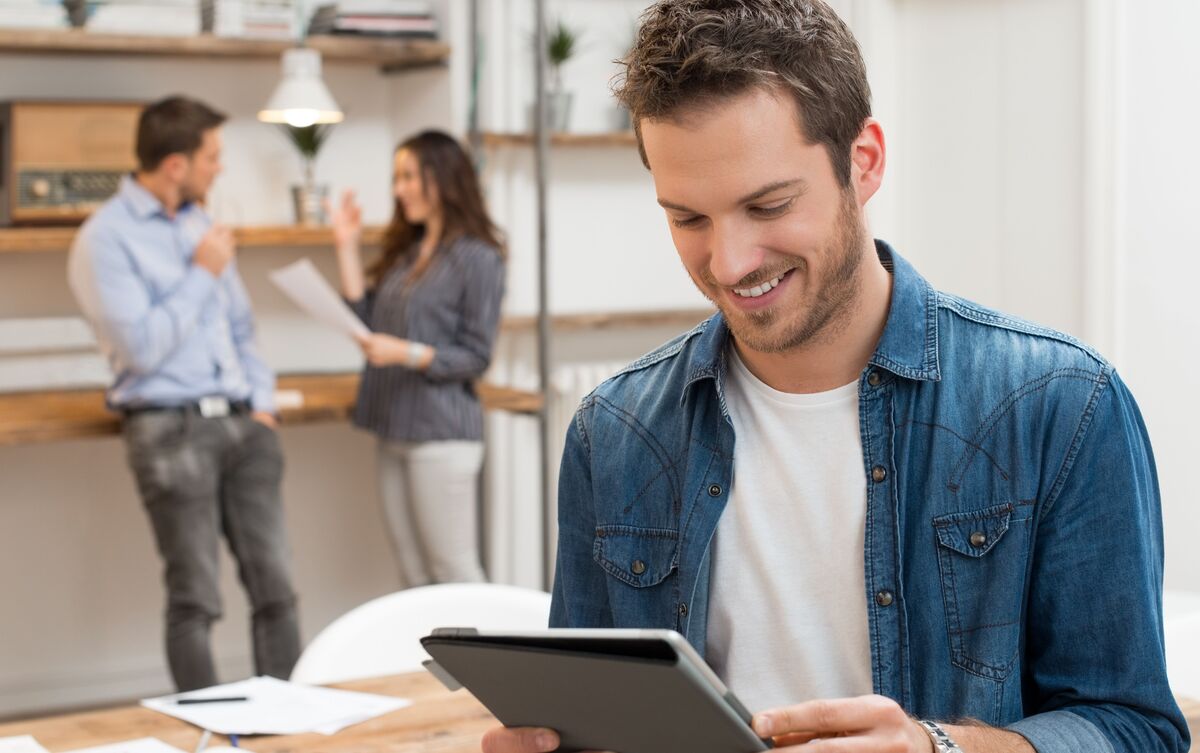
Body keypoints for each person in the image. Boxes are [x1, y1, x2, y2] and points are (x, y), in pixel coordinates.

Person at [482, 1, 1189, 752]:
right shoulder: (613, 430)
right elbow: (596, 719)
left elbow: (1134, 729)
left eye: (769, 204)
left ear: (865, 161)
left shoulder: (1063, 405)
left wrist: (938, 748)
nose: (730, 262)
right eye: (688, 218)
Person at [67, 95, 301, 692]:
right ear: (176, 164)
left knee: (276, 589)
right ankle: (211, 733)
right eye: (212, 156)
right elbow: (141, 349)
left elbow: (243, 327)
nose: (218, 168)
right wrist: (202, 271)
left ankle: (289, 728)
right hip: (169, 431)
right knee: (195, 597)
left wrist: (263, 404)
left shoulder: (200, 223)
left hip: (244, 427)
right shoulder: (105, 240)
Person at [330, 130, 505, 588]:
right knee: (412, 575)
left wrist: (406, 353)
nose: (398, 189)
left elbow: (476, 355)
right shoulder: (407, 254)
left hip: (441, 435)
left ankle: (491, 659)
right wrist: (345, 245)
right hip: (393, 428)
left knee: (454, 571)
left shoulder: (479, 258)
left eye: (408, 176)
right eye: (396, 177)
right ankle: (423, 663)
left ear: (442, 178)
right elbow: (368, 325)